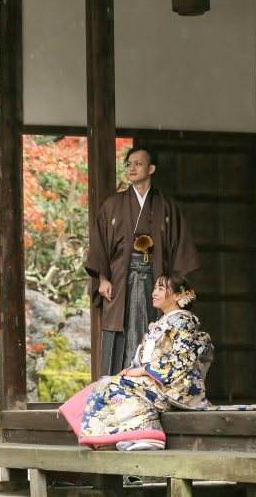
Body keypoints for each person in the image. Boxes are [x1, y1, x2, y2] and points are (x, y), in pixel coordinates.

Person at [58, 271, 256, 453]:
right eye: (155, 288)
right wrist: (132, 370)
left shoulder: (184, 321)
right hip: (153, 381)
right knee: (100, 386)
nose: (154, 292)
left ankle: (148, 433)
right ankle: (114, 437)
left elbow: (181, 360)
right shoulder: (157, 324)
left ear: (178, 295)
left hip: (169, 386)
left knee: (108, 383)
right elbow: (142, 359)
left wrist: (143, 371)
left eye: (161, 288)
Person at [85, 147, 200, 377]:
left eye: (137, 164)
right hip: (120, 278)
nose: (132, 168)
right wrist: (103, 278)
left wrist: (172, 285)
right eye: (128, 164)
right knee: (120, 326)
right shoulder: (113, 204)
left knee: (158, 324)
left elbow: (180, 244)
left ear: (151, 168)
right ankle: (115, 383)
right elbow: (99, 243)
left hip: (156, 277)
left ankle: (152, 381)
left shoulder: (167, 205)